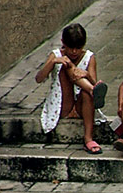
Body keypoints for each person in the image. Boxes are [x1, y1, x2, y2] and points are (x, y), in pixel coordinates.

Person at [35, 23, 108, 154]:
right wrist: (52, 62)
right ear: (63, 43)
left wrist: (86, 74)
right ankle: (91, 89)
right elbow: (39, 78)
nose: (74, 52)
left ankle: (88, 138)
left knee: (88, 93)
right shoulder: (56, 55)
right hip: (63, 105)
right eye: (71, 48)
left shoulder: (89, 57)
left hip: (83, 105)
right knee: (67, 66)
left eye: (78, 48)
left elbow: (94, 81)